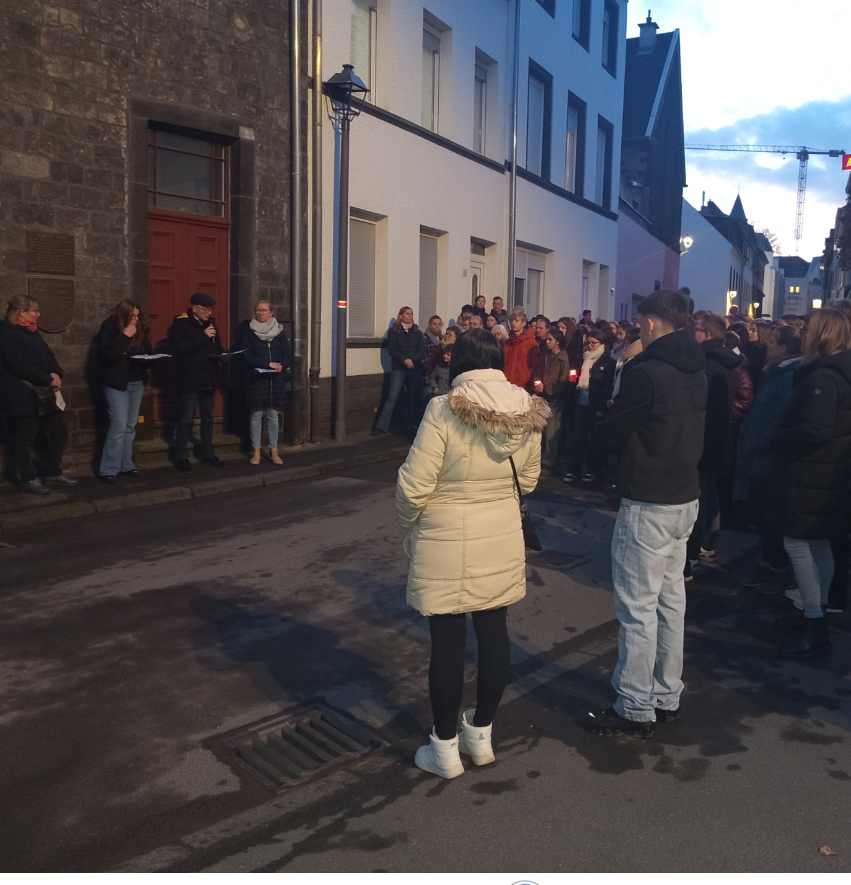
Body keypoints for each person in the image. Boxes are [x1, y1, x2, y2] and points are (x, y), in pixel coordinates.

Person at [396, 328, 549, 778]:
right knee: (494, 629)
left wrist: (410, 526)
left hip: (445, 535)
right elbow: (532, 479)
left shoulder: (443, 409)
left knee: (446, 641)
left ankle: (443, 748)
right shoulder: (526, 407)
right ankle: (480, 735)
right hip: (500, 531)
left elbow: (414, 484)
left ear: (459, 359)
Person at [590, 290, 706, 736]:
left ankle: (635, 705)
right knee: (671, 602)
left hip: (649, 500)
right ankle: (666, 692)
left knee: (638, 607)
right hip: (684, 497)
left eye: (640, 324)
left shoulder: (648, 373)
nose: (637, 330)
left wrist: (610, 407)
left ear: (652, 324)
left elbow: (608, 436)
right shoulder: (699, 370)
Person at [769, 309, 851, 659]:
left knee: (799, 544)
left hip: (812, 473)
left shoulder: (825, 377)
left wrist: (779, 438)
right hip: (826, 473)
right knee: (818, 546)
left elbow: (816, 429)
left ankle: (815, 624)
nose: (801, 335)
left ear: (822, 336)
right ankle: (812, 614)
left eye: (807, 330)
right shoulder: (836, 372)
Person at [737, 326, 801, 594]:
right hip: (758, 457)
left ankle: (776, 568)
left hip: (767, 459)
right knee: (760, 515)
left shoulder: (787, 375)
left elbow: (779, 418)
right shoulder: (773, 373)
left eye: (773, 343)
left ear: (784, 349)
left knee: (769, 517)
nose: (767, 347)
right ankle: (768, 562)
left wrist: (755, 441)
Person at [0, 295, 78, 494]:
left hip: (44, 392)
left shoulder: (33, 332)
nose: (38, 313)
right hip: (23, 393)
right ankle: (27, 477)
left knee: (59, 431)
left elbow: (48, 355)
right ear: (22, 312)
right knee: (25, 437)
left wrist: (56, 373)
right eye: (35, 310)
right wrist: (48, 378)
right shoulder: (9, 334)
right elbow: (21, 366)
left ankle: (52, 471)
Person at [685, 313, 739, 572]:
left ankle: (695, 550)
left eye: (696, 329)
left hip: (704, 436)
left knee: (701, 498)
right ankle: (708, 542)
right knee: (709, 491)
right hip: (718, 438)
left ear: (706, 335)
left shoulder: (706, 363)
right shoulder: (725, 361)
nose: (692, 333)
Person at [96, 299, 152, 483]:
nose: (135, 319)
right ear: (123, 315)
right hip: (116, 383)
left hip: (136, 382)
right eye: (132, 316)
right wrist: (125, 336)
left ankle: (126, 465)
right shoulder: (110, 327)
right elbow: (108, 355)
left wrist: (149, 360)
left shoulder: (140, 329)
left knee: (130, 425)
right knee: (118, 424)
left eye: (138, 316)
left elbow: (148, 353)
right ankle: (108, 469)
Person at [167, 292, 224, 471]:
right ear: (194, 308)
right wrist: (203, 336)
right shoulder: (180, 325)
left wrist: (222, 355)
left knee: (208, 418)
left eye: (210, 309)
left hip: (208, 378)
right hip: (190, 379)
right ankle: (181, 455)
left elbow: (217, 346)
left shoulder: (211, 324)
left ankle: (208, 453)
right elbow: (180, 349)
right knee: (186, 418)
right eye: (205, 309)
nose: (209, 312)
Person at [241, 300, 292, 465]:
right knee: (256, 416)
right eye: (258, 310)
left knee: (273, 416)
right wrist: (267, 364)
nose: (261, 313)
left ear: (271, 313)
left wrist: (282, 365)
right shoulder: (249, 332)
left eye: (264, 310)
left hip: (275, 380)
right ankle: (256, 451)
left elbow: (288, 354)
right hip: (257, 379)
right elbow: (246, 356)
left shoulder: (279, 332)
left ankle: (274, 450)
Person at [563, 329, 614, 483]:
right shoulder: (583, 358)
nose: (590, 346)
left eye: (594, 343)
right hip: (581, 402)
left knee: (593, 439)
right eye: (588, 343)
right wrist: (573, 380)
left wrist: (601, 408)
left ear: (601, 344)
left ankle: (592, 470)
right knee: (578, 437)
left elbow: (607, 386)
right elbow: (577, 377)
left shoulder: (608, 362)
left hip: (594, 405)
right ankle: (574, 468)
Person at [373, 306, 425, 436]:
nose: (410, 316)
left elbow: (421, 349)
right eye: (407, 314)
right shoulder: (393, 332)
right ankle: (381, 426)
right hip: (399, 368)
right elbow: (392, 349)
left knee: (411, 397)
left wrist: (412, 360)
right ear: (401, 316)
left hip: (414, 368)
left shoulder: (417, 332)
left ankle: (409, 425)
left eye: (412, 314)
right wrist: (404, 360)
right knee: (392, 397)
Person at [532, 327, 571, 475]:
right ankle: (540, 459)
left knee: (551, 432)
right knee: (541, 431)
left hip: (555, 400)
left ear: (558, 341)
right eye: (546, 339)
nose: (547, 342)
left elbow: (562, 383)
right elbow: (537, 373)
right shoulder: (546, 357)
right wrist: (537, 383)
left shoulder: (563, 359)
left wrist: (546, 387)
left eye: (550, 340)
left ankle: (549, 462)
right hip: (543, 398)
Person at [503, 308, 539, 391]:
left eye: (516, 320)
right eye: (512, 320)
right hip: (506, 384)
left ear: (523, 323)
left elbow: (535, 367)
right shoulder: (507, 342)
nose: (513, 323)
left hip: (523, 386)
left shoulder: (532, 343)